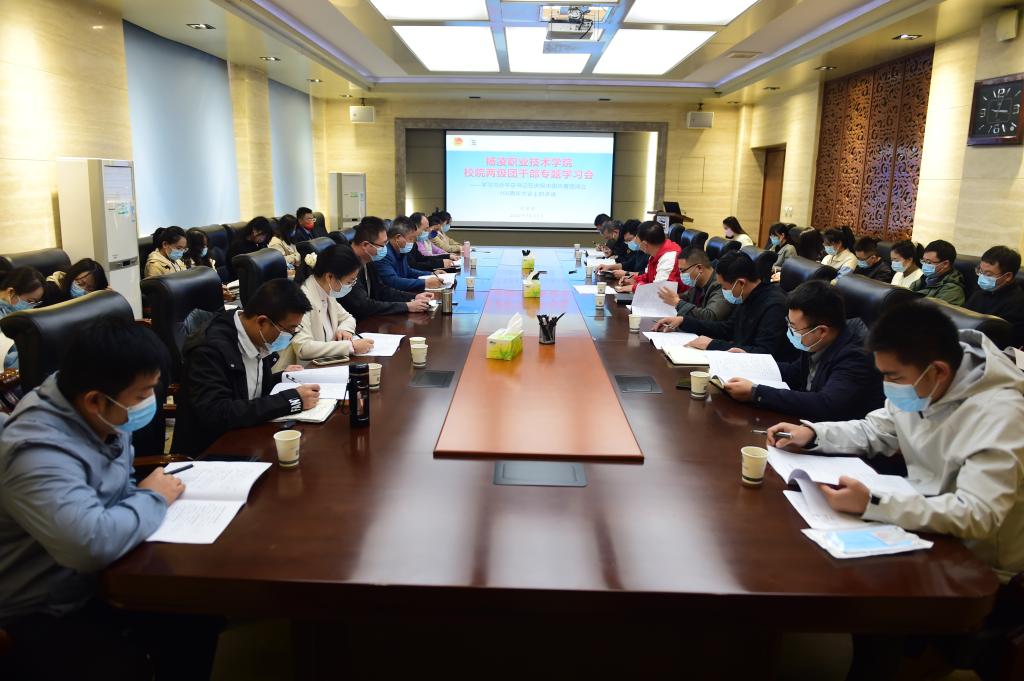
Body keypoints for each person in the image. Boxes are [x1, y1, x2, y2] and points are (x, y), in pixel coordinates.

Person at [0, 318, 220, 680]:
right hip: (43, 606)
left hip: (103, 576)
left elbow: (120, 487)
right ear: (94, 401)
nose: (151, 402)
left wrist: (142, 497)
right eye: (143, 394)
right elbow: (90, 543)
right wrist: (152, 498)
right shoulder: (35, 451)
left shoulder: (102, 412)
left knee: (197, 613)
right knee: (123, 664)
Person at [765, 301, 1024, 582]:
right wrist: (814, 434)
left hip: (978, 562)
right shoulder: (923, 380)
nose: (888, 386)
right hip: (917, 519)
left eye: (893, 376)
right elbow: (876, 429)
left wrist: (874, 503)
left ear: (938, 371)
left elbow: (978, 514)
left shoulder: (1002, 414)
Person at [173, 279, 320, 456]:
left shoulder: (255, 336)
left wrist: (281, 378)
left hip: (249, 436)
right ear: (262, 322)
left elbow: (247, 387)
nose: (290, 336)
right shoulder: (209, 350)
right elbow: (218, 413)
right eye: (289, 330)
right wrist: (289, 401)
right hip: (212, 452)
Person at [721, 280, 883, 420]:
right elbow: (796, 371)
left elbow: (826, 404)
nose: (790, 331)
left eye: (794, 327)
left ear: (821, 331)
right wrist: (750, 362)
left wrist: (756, 392)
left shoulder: (855, 356)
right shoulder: (818, 341)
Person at [679, 250, 795, 359]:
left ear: (740, 283)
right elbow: (728, 328)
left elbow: (764, 352)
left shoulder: (774, 306)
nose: (723, 291)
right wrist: (684, 321)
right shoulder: (747, 295)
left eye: (724, 287)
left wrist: (712, 344)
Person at [280, 245, 375, 367]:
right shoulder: (302, 299)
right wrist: (350, 346)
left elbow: (348, 318)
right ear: (330, 276)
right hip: (310, 369)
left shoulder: (326, 291)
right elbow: (303, 348)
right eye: (349, 282)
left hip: (330, 364)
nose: (350, 286)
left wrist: (345, 329)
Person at [343, 217, 433, 320]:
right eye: (383, 244)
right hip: (357, 323)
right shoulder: (346, 265)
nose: (385, 248)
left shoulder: (368, 259)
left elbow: (382, 290)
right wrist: (406, 306)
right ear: (366, 245)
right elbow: (364, 305)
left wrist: (414, 297)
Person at [653, 247, 733, 330]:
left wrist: (677, 302)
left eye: (683, 271)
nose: (681, 275)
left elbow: (711, 317)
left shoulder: (721, 285)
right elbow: (686, 299)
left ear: (699, 268)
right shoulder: (697, 283)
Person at [966, 245, 1024, 348]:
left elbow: (1003, 341)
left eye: (988, 274)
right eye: (980, 271)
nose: (982, 277)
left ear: (1008, 276)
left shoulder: (1017, 304)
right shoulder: (979, 294)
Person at [378, 219, 442, 293]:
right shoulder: (384, 255)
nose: (413, 242)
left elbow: (408, 271)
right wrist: (425, 283)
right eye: (411, 239)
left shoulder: (400, 250)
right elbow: (394, 281)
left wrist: (431, 274)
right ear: (398, 238)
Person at [615, 221, 681, 293]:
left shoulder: (669, 257)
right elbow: (648, 276)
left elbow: (659, 290)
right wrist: (634, 280)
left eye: (638, 244)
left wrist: (633, 288)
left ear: (644, 244)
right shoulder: (655, 252)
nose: (638, 247)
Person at [0, 266, 45, 369]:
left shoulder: (10, 312)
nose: (31, 307)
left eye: (35, 303)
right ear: (11, 292)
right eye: (30, 301)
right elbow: (7, 361)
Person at [909, 239, 966, 305]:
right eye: (923, 261)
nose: (924, 265)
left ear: (945, 264)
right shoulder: (925, 279)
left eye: (928, 262)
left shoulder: (952, 291)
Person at [39, 258, 108, 307]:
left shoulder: (95, 296)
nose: (83, 290)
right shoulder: (51, 290)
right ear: (71, 276)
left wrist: (108, 298)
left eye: (90, 288)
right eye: (80, 283)